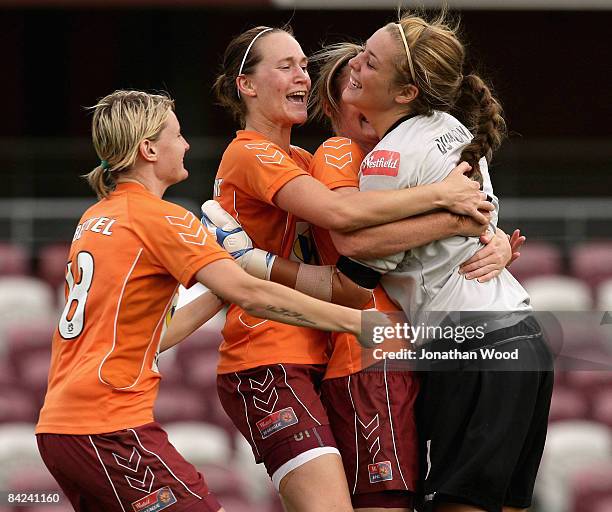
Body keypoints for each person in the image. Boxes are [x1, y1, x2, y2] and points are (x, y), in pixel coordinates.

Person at [202, 41, 524, 512]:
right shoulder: (335, 152)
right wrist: (453, 210)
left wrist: (487, 234)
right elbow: (347, 245)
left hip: (353, 348)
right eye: (286, 66)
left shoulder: (321, 162)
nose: (302, 77)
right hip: (346, 353)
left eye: (302, 67)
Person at [34, 89, 378, 512]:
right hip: (107, 425)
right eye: (177, 136)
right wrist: (357, 323)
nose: (186, 145)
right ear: (148, 149)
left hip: (58, 428)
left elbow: (154, 337)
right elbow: (253, 295)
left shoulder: (95, 218)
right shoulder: (162, 217)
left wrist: (223, 280)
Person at [336, 12, 553, 512]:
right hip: (526, 337)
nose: (355, 65)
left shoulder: (386, 159)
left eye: (369, 61)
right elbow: (475, 221)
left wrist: (255, 265)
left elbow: (359, 266)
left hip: (471, 346)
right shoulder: (453, 128)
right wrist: (470, 228)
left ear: (406, 93)